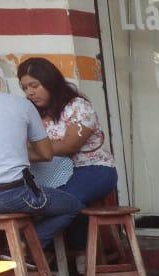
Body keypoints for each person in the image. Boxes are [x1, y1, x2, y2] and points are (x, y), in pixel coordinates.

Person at [17, 58, 119, 254]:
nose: (29, 92)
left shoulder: (77, 107)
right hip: (51, 173)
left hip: (92, 169)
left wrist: (31, 151)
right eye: (25, 88)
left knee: (64, 201)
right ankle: (68, 253)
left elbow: (68, 145)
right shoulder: (30, 112)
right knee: (31, 200)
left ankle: (29, 245)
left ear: (50, 82)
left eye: (34, 86)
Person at [0, 89, 82, 246]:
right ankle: (26, 246)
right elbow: (45, 153)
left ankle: (10, 252)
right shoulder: (21, 104)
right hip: (13, 194)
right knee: (73, 205)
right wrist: (15, 152)